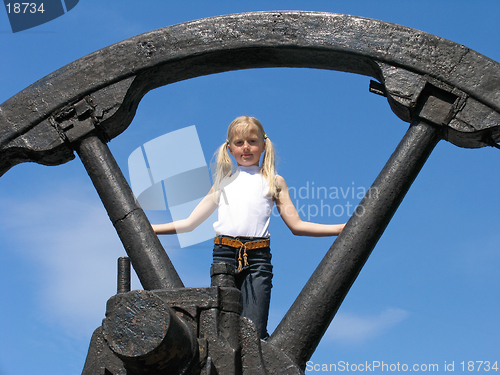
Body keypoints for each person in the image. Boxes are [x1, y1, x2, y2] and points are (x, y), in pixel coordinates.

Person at [152, 116, 345, 339]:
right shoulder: (222, 183)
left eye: (252, 141)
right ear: (230, 148)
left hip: (258, 258)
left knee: (255, 329)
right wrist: (152, 227)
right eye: (239, 143)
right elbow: (190, 223)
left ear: (263, 145)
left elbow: (297, 225)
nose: (246, 147)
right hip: (224, 255)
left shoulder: (274, 181)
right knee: (223, 327)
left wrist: (339, 228)